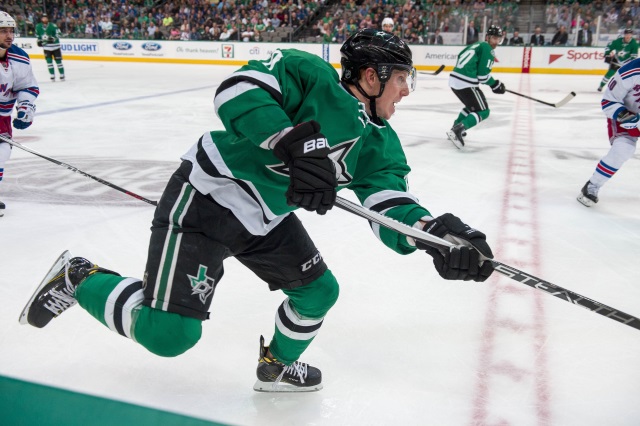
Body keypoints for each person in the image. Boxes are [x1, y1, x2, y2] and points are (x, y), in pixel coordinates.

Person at [19, 29, 494, 392]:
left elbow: (389, 204)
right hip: (207, 197)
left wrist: (433, 235)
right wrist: (291, 140)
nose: (407, 90)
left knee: (318, 293)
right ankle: (79, 277)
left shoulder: (381, 144)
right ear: (371, 77)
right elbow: (236, 90)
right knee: (169, 336)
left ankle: (276, 366)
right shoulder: (307, 72)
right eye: (402, 79)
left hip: (265, 219)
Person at [578, 57, 640, 207]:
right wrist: (625, 116)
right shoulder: (631, 71)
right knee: (623, 149)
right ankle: (592, 186)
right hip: (625, 115)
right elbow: (609, 101)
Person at [0, 11, 39, 217]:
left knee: (2, 155)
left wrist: (25, 108)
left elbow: (28, 86)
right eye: (3, 31)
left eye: (10, 31)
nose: (9, 36)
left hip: (2, 119)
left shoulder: (19, 57)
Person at [446, 25, 506, 149]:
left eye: (498, 39)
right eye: (494, 38)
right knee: (483, 111)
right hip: (466, 82)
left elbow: (460, 56)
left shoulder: (476, 45)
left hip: (454, 79)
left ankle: (455, 127)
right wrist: (495, 84)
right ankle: (458, 130)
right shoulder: (488, 49)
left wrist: (494, 84)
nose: (496, 42)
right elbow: (483, 76)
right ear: (488, 38)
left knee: (471, 106)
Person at [35, 14, 65, 82]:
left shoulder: (53, 25)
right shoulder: (38, 26)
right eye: (43, 18)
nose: (45, 19)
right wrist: (39, 41)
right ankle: (52, 75)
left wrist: (53, 38)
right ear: (41, 19)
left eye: (46, 18)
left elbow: (59, 34)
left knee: (58, 62)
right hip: (47, 48)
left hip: (55, 47)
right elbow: (38, 36)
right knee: (49, 62)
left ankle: (62, 74)